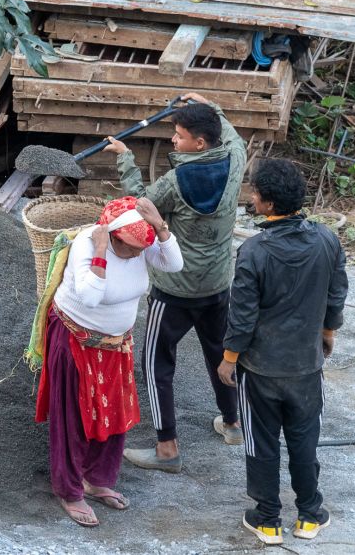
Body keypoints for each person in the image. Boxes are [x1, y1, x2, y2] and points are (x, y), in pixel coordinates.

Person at [104, 93, 244, 473]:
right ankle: (233, 424)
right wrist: (211, 105)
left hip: (176, 290)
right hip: (217, 284)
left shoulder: (174, 181)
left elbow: (141, 208)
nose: (173, 141)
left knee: (156, 364)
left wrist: (125, 158)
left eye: (180, 136)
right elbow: (232, 134)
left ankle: (167, 449)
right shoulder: (234, 160)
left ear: (199, 143)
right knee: (221, 353)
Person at [217, 159, 347, 545]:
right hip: (306, 367)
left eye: (255, 193)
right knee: (305, 440)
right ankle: (310, 514)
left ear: (269, 204)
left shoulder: (254, 251)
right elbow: (336, 294)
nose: (251, 198)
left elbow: (241, 315)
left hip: (260, 370)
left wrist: (229, 359)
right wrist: (327, 333)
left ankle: (268, 519)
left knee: (262, 442)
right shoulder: (326, 239)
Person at [35, 196, 184, 527]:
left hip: (116, 346)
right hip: (77, 341)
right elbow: (89, 297)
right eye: (128, 248)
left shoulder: (141, 245)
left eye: (139, 249)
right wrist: (101, 252)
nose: (135, 255)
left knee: (114, 414)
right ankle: (69, 490)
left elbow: (174, 265)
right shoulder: (87, 245)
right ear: (111, 235)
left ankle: (96, 479)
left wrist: (159, 225)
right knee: (73, 418)